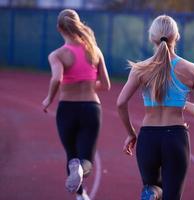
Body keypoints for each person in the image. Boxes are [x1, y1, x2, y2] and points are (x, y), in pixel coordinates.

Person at [117, 15, 194, 200]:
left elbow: (120, 103)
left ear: (152, 37)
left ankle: (152, 192)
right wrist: (182, 104)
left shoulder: (141, 68)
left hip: (148, 138)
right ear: (176, 37)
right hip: (176, 138)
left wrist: (130, 133)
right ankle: (154, 192)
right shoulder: (191, 69)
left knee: (152, 186)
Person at [42, 9, 110, 200]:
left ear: (59, 28)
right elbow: (106, 85)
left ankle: (80, 195)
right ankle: (82, 186)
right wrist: (88, 84)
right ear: (78, 25)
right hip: (91, 109)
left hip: (67, 109)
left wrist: (49, 98)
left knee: (72, 155)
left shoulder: (57, 55)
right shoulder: (95, 51)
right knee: (86, 160)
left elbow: (56, 78)